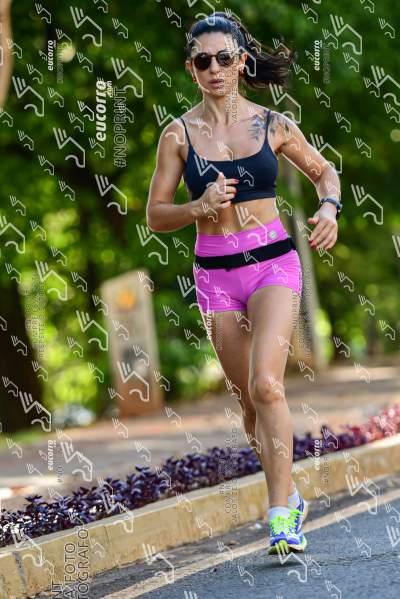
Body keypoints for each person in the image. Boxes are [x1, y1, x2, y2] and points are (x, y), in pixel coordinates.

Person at [146, 11, 341, 556]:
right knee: (250, 404)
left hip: (273, 264)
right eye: (203, 60)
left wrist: (330, 206)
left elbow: (324, 172)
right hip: (215, 274)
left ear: (241, 62)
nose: (215, 68)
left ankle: (279, 516)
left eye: (225, 58)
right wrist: (197, 206)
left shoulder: (272, 124)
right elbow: (155, 214)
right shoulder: (177, 135)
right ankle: (290, 493)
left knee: (268, 386)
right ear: (191, 69)